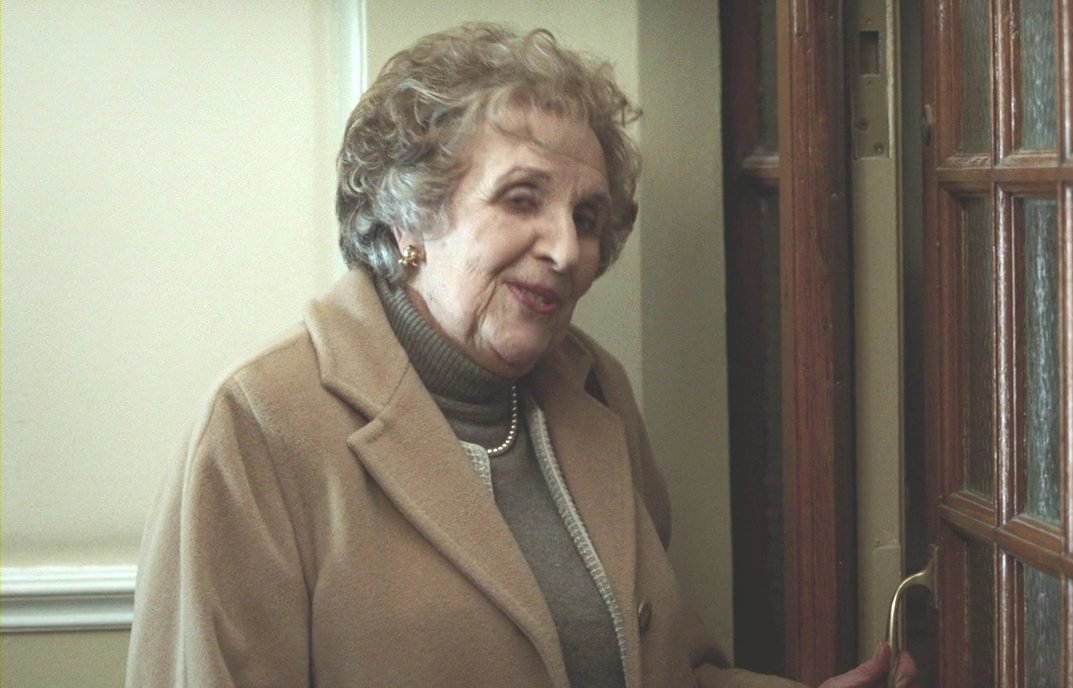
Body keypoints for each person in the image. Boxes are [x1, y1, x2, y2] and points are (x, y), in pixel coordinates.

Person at [125, 23, 917, 688]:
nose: (566, 249)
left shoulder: (596, 389)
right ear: (410, 216)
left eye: (587, 217)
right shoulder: (259, 424)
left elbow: (663, 670)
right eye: (521, 199)